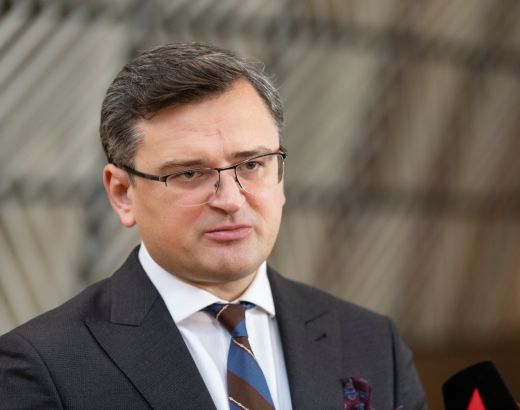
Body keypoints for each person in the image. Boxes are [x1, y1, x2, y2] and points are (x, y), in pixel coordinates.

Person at [0, 42, 427, 409]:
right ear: (123, 193)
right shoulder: (44, 366)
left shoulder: (372, 342)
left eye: (253, 164)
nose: (230, 199)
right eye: (189, 173)